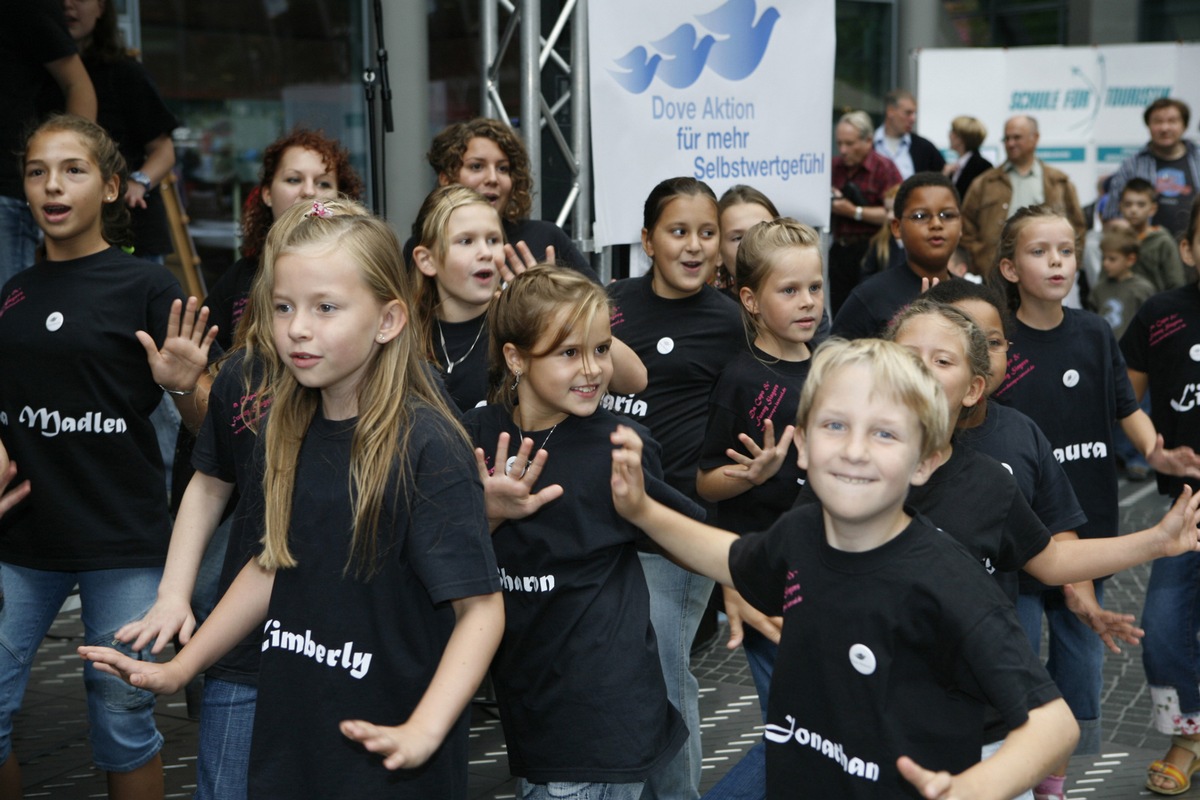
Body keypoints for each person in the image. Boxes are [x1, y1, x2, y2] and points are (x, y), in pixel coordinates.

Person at [79, 199, 505, 799]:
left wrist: (423, 730)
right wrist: (183, 665)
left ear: (388, 321)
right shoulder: (289, 425)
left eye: (325, 308)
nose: (297, 328)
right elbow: (271, 563)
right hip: (293, 736)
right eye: (283, 307)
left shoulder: (428, 444)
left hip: (386, 755)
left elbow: (482, 611)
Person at [610, 336, 1081, 800]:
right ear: (804, 446)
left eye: (885, 433)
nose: (855, 450)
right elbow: (732, 558)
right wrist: (643, 511)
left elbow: (1054, 724)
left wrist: (974, 788)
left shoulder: (949, 582)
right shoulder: (800, 532)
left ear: (926, 461)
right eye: (835, 425)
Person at [0, 114, 215, 799]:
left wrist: (186, 387)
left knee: (122, 718)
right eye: (37, 172)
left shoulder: (147, 289)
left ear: (113, 187)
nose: (51, 186)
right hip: (21, 541)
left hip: (123, 541)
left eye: (73, 170)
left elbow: (215, 431)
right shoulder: (13, 293)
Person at [990, 204, 1200, 799]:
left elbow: (1125, 406)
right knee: (1020, 661)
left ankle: (1053, 780)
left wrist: (1156, 454)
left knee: (1082, 663)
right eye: (1039, 252)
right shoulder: (1000, 342)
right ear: (1009, 266)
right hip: (1020, 538)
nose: (1057, 261)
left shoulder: (1093, 332)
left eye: (1065, 249)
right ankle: (1015, 769)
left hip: (1093, 530)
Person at [465, 266, 691, 799]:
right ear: (516, 358)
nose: (592, 369)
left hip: (600, 713)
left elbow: (686, 536)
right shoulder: (476, 434)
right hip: (533, 701)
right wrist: (490, 510)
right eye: (568, 353)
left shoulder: (621, 444)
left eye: (602, 349)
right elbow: (431, 545)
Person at [606, 176, 743, 800]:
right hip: (604, 520)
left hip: (682, 529)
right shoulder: (611, 305)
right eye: (678, 231)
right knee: (618, 675)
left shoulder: (732, 322)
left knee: (663, 676)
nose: (693, 246)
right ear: (646, 241)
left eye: (706, 233)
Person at [696, 218, 822, 719]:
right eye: (789, 290)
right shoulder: (744, 381)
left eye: (814, 287)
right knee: (794, 723)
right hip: (768, 574)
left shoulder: (826, 363)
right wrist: (752, 475)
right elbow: (705, 483)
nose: (808, 301)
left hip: (825, 563)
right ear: (750, 300)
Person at [1121, 196, 1200, 796]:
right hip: (1184, 510)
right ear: (1188, 248)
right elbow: (1123, 397)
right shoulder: (1161, 314)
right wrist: (1152, 451)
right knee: (1164, 631)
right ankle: (1188, 738)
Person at [204, 129, 363, 352]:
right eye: (293, 179)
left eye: (324, 184)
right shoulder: (240, 276)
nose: (309, 192)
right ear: (267, 194)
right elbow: (204, 353)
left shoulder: (360, 270)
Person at [46, 0, 177, 262]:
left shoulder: (125, 72)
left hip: (130, 230)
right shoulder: (39, 77)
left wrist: (139, 182)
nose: (68, 5)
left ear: (102, 8)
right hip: (66, 236)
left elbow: (164, 150)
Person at [412, 117, 598, 282]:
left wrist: (548, 302)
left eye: (503, 168)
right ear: (446, 178)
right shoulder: (424, 244)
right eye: (477, 166)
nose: (493, 178)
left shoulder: (546, 237)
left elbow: (602, 309)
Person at [0, 0, 95, 285]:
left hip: (6, 189)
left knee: (9, 314)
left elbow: (78, 85)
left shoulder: (24, 7)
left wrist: (74, 168)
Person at [832, 171, 960, 339]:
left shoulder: (972, 297)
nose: (936, 224)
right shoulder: (869, 298)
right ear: (897, 228)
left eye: (947, 215)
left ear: (962, 225)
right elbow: (833, 360)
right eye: (920, 216)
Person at [961, 115, 1087, 277]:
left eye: (1016, 137)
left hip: (1046, 275)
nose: (1010, 143)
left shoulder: (1058, 182)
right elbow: (965, 227)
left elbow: (1078, 228)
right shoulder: (985, 183)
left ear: (1035, 138)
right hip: (994, 275)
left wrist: (1068, 263)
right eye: (1006, 138)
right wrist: (980, 260)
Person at [829, 110, 902, 313]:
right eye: (839, 143)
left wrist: (854, 211)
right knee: (841, 313)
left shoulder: (884, 169)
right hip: (840, 251)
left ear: (868, 140)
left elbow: (898, 214)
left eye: (850, 144)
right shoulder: (833, 167)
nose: (843, 150)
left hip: (873, 251)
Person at [1103, 98, 1200, 238]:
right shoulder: (1132, 165)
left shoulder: (1197, 159)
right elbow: (1111, 216)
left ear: (1184, 125)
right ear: (1148, 125)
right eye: (1158, 122)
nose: (1165, 128)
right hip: (1144, 251)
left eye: (1172, 121)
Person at [1118, 177, 1187, 292]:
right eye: (1128, 204)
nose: (1133, 210)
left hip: (1156, 306)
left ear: (1153, 209)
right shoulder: (1116, 240)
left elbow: (1176, 282)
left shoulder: (1163, 241)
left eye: (1141, 204)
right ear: (1120, 207)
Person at [1089, 228, 1156, 341]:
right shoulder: (1098, 289)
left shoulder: (1143, 289)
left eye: (1112, 259)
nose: (1105, 263)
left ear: (1130, 259)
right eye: (1104, 258)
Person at [714, 184, 778, 297]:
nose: (752, 244)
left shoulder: (808, 300)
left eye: (763, 232)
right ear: (718, 253)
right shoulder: (709, 312)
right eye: (738, 238)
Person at [872, 89, 946, 180]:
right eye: (908, 113)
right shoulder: (868, 144)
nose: (913, 119)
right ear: (890, 111)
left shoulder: (924, 148)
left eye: (914, 114)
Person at [944, 115, 994, 200]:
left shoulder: (982, 166)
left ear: (961, 137)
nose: (949, 135)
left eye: (953, 131)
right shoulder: (955, 166)